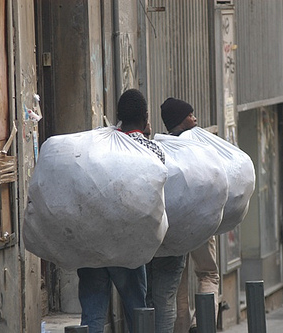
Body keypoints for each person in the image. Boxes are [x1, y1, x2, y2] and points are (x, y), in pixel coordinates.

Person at [77, 89, 165, 333]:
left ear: (118, 116)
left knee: (91, 317)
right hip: (128, 245)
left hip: (91, 243)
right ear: (146, 117)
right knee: (137, 312)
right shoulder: (153, 150)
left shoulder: (99, 144)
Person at [156, 97, 220, 333]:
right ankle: (201, 325)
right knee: (208, 274)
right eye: (191, 115)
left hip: (172, 226)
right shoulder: (198, 146)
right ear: (182, 120)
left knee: (178, 284)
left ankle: (182, 328)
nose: (195, 119)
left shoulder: (161, 147)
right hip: (201, 223)